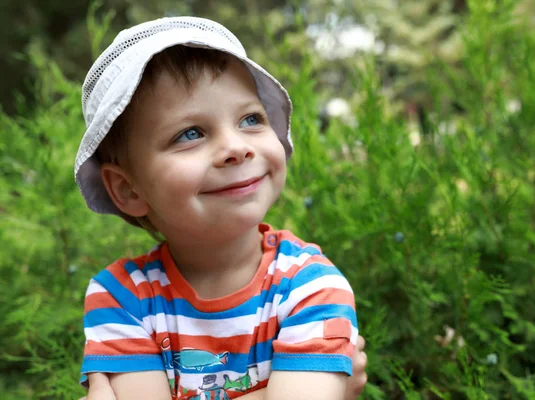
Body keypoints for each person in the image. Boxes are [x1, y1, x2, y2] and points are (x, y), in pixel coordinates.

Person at [75, 16, 367, 400]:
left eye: (251, 119)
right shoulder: (121, 298)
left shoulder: (308, 285)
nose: (236, 147)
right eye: (190, 133)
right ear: (128, 189)